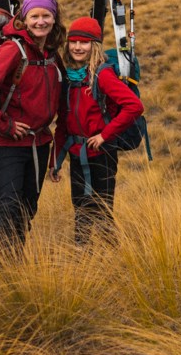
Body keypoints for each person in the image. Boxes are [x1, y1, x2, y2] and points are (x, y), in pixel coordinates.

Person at [0, 0, 66, 251]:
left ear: (54, 18)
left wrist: (55, 155)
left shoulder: (51, 54)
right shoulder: (13, 49)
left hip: (39, 143)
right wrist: (5, 125)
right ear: (24, 18)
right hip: (9, 145)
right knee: (6, 208)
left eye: (46, 15)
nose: (40, 21)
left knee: (26, 209)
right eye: (34, 16)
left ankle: (14, 265)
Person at [51, 17, 143, 246]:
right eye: (73, 42)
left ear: (95, 46)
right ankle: (83, 258)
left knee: (102, 208)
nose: (77, 47)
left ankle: (111, 255)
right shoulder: (68, 78)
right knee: (80, 208)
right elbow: (63, 123)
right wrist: (56, 161)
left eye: (84, 42)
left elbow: (134, 106)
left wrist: (105, 135)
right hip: (76, 153)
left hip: (103, 153)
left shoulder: (103, 75)